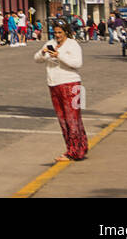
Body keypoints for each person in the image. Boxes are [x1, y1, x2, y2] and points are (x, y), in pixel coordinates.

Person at [34, 21, 87, 162]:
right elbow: (37, 59)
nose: (57, 35)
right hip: (54, 84)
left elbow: (77, 63)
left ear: (66, 32)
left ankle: (74, 152)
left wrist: (59, 55)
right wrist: (43, 52)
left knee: (73, 119)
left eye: (60, 33)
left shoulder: (72, 44)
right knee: (63, 119)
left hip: (71, 84)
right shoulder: (50, 43)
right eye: (56, 32)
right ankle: (78, 147)